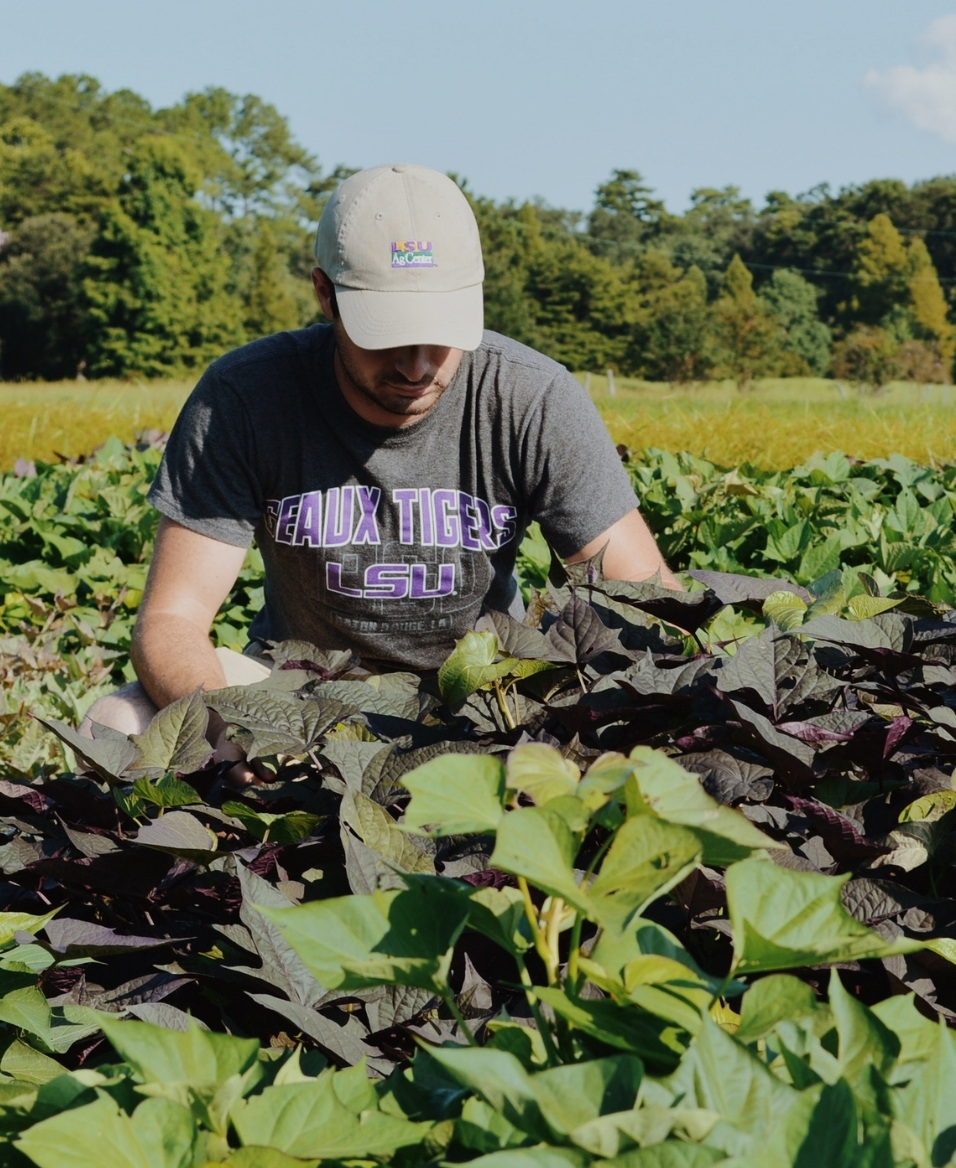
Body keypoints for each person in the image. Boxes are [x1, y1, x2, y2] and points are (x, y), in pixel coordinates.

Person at [84, 163, 678, 781]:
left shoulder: (531, 397)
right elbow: (171, 620)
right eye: (388, 335)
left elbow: (641, 595)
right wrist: (235, 733)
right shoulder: (246, 397)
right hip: (300, 705)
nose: (418, 366)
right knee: (119, 725)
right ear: (325, 294)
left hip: (481, 700)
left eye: (440, 333)